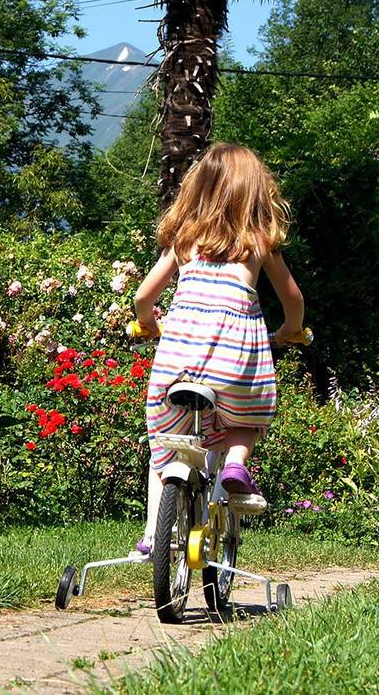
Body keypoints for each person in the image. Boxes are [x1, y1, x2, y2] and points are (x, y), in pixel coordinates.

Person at [129, 143, 307, 556]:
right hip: (235, 361)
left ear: (196, 190)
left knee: (166, 440)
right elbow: (293, 299)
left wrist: (149, 324)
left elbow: (142, 297)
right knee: (247, 417)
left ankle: (155, 534)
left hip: (177, 360)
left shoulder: (183, 241)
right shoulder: (260, 242)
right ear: (255, 193)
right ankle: (235, 464)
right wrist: (291, 330)